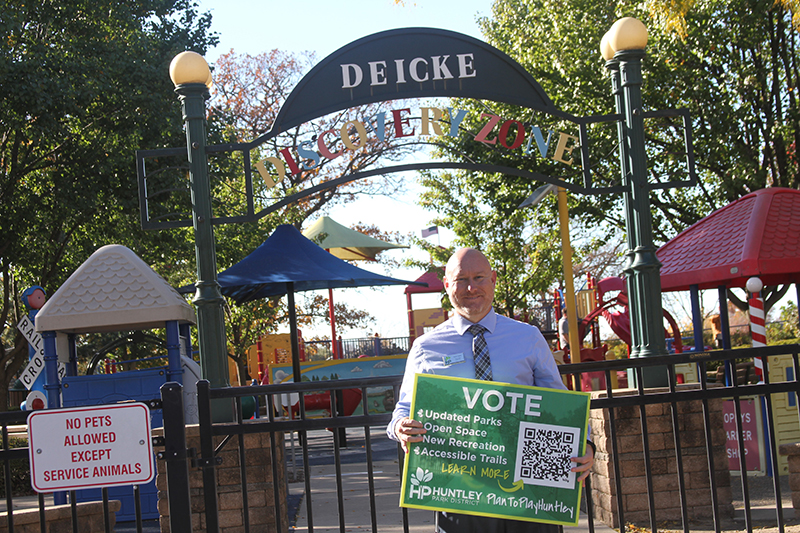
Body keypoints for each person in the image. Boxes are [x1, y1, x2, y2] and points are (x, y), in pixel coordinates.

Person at [388, 248, 594, 533]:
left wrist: (586, 445)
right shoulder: (426, 347)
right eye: (461, 280)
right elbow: (403, 409)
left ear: (494, 279)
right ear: (447, 286)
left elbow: (558, 405)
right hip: (460, 491)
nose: (471, 287)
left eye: (479, 277)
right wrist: (400, 426)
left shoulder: (528, 337)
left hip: (529, 491)